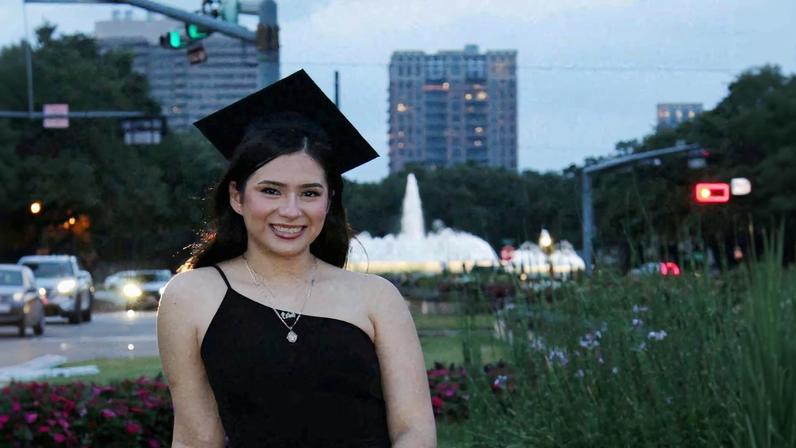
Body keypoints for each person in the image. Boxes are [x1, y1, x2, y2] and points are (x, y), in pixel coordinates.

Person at [156, 70, 436, 447]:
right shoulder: (190, 296)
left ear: (329, 198)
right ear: (238, 197)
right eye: (271, 191)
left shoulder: (376, 298)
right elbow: (195, 438)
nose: (291, 211)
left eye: (309, 193)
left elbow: (414, 431)